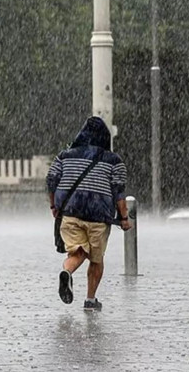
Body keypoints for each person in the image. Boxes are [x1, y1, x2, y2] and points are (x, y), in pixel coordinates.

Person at [46, 116, 132, 311]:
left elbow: (51, 181)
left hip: (70, 213)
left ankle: (67, 272)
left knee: (77, 252)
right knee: (96, 259)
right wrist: (124, 218)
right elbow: (119, 192)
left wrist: (54, 206)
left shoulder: (64, 156)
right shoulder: (114, 161)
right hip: (98, 217)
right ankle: (90, 300)